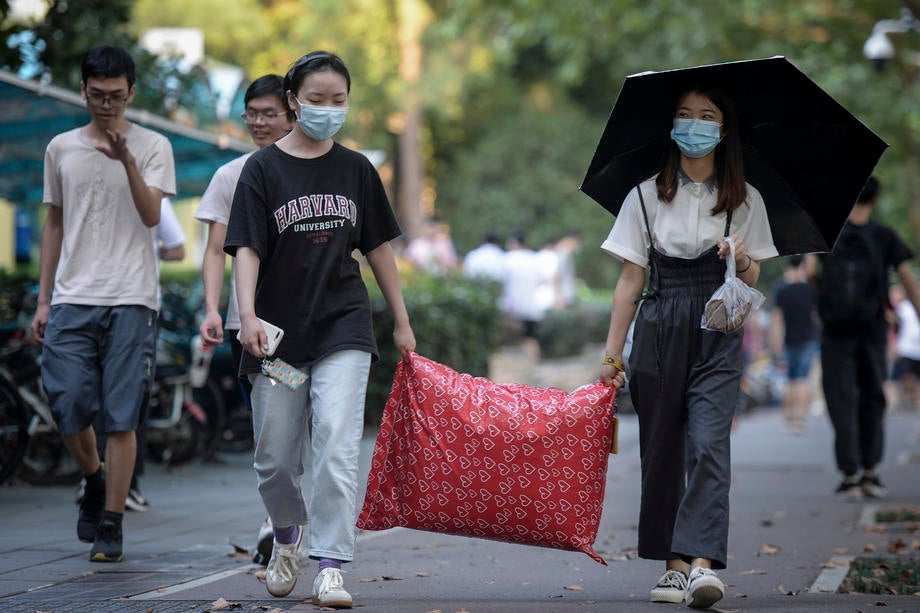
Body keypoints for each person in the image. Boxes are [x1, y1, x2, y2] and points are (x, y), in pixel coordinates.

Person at [224, 51, 415, 607]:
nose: (328, 110)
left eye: (338, 101)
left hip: (342, 330)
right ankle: (288, 537)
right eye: (316, 100)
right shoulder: (261, 170)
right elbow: (246, 251)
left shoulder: (356, 169)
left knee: (336, 444)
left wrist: (401, 322)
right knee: (276, 458)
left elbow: (378, 249)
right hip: (279, 343)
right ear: (292, 101)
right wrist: (248, 318)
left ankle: (331, 564)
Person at [598, 86, 777, 609]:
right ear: (670, 126)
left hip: (717, 327)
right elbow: (631, 280)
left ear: (724, 130)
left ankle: (701, 563)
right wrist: (612, 357)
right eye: (683, 115)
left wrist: (740, 257)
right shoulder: (643, 196)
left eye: (706, 116)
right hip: (657, 324)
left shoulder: (745, 199)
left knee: (708, 444)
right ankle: (672, 565)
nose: (694, 125)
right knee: (662, 450)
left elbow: (755, 272)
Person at [30, 45, 176, 563]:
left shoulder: (155, 145)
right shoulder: (61, 148)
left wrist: (127, 160)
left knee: (121, 417)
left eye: (117, 96)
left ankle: (111, 523)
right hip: (72, 298)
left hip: (133, 298)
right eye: (97, 96)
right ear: (84, 91)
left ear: (131, 93)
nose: (107, 105)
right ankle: (94, 480)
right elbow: (54, 224)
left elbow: (152, 215)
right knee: (66, 405)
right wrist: (43, 299)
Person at [195, 75, 296, 565]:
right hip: (252, 333)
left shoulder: (316, 173)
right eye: (251, 113)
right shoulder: (230, 176)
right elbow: (216, 250)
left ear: (291, 113)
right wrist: (214, 309)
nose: (258, 122)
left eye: (268, 113)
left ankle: (282, 525)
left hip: (308, 328)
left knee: (296, 421)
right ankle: (278, 520)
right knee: (269, 424)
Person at [815, 176, 920, 501]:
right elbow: (907, 278)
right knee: (873, 396)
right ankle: (871, 472)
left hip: (834, 333)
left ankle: (849, 475)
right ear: (874, 201)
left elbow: (807, 274)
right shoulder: (885, 236)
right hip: (872, 329)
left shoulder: (826, 234)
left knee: (840, 399)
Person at [769, 254, 820, 433]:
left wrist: (776, 343)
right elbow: (816, 316)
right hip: (809, 338)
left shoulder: (781, 289)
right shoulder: (810, 289)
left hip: (788, 339)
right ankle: (799, 416)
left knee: (789, 378)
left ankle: (789, 416)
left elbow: (777, 320)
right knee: (802, 378)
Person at [890, 284, 920, 412]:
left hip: (918, 350)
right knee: (906, 376)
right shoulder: (905, 307)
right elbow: (895, 326)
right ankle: (907, 399)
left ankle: (916, 403)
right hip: (906, 348)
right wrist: (894, 343)